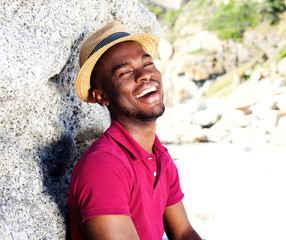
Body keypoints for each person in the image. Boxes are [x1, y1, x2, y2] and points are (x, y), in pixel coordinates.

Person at [68, 21, 202, 240]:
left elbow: (184, 233)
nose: (144, 75)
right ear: (102, 96)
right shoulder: (104, 166)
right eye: (125, 72)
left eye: (147, 64)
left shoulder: (160, 158)